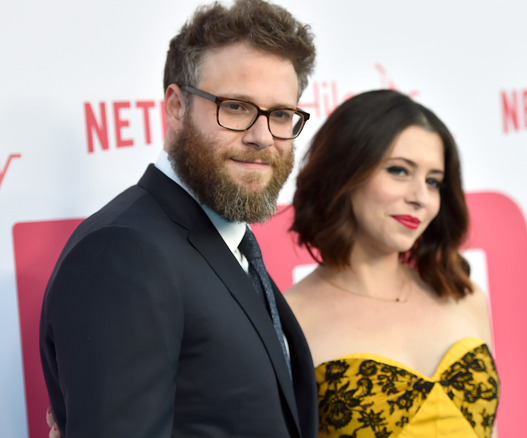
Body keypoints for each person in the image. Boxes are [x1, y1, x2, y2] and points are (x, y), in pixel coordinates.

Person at [39, 0, 318, 437]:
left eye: (280, 114)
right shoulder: (123, 254)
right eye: (237, 107)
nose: (262, 137)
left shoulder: (224, 237)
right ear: (175, 106)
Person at [284, 89, 499, 437]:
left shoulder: (463, 296)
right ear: (344, 174)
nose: (420, 197)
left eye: (433, 181)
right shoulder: (288, 322)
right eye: (399, 171)